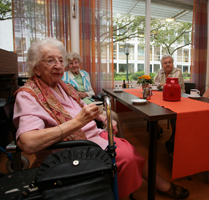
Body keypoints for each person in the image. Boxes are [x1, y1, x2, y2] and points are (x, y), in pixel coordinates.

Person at [13, 38, 189, 199]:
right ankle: (120, 192)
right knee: (128, 156)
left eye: (60, 60)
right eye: (50, 60)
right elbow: (28, 143)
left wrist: (103, 117)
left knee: (132, 151)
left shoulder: (62, 86)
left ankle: (147, 187)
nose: (59, 65)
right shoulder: (29, 95)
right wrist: (78, 122)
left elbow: (80, 106)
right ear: (36, 67)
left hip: (91, 137)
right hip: (72, 150)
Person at [62, 52, 124, 138]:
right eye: (71, 63)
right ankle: (108, 140)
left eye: (76, 62)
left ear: (79, 63)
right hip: (78, 105)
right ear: (67, 65)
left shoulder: (85, 74)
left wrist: (84, 94)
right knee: (111, 117)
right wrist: (74, 94)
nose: (74, 65)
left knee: (114, 116)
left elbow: (92, 92)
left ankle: (117, 140)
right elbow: (65, 95)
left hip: (91, 103)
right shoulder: (64, 77)